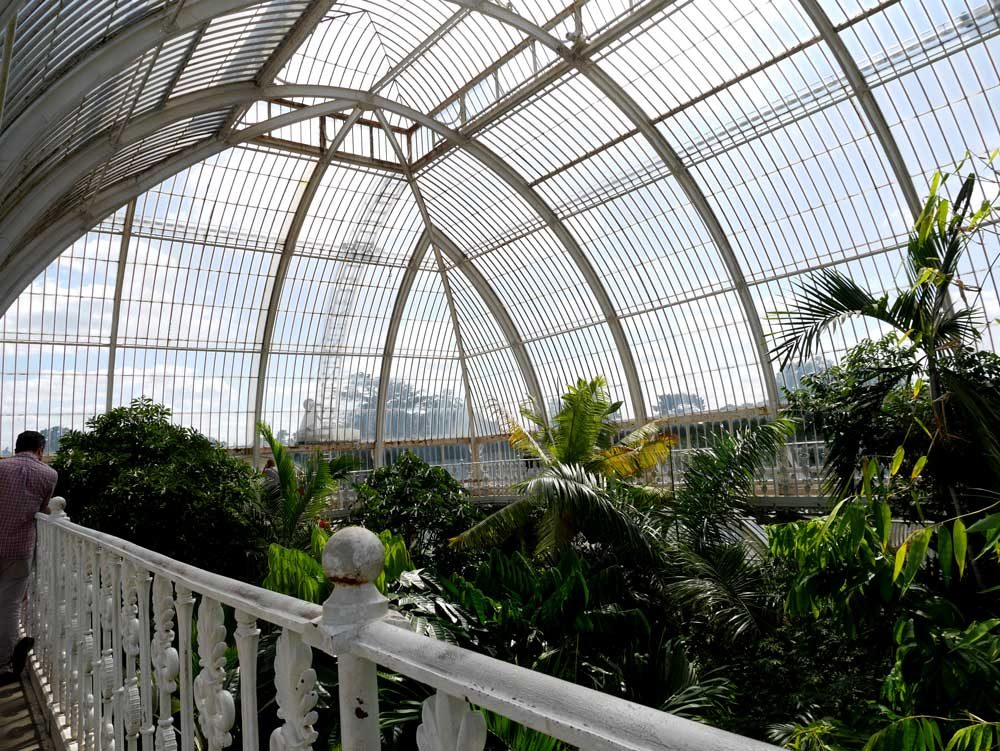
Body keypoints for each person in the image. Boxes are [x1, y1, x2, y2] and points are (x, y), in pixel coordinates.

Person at [0, 430, 57, 682]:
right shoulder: (48, 474)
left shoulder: (1, 468)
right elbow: (44, 508)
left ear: (16, 447)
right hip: (19, 549)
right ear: (40, 449)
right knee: (9, 607)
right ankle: (4, 662)